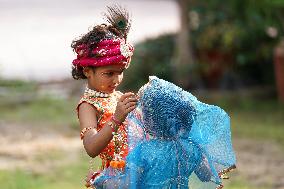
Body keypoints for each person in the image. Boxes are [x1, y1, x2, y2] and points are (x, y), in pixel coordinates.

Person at [94, 76, 236, 189]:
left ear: (150, 121)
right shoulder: (192, 150)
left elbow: (126, 184)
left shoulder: (143, 151)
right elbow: (206, 175)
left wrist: (100, 181)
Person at [71, 5, 138, 188]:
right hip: (115, 180)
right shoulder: (88, 105)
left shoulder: (119, 97)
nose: (116, 80)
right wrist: (117, 118)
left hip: (137, 173)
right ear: (87, 71)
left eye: (121, 72)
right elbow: (91, 148)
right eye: (109, 73)